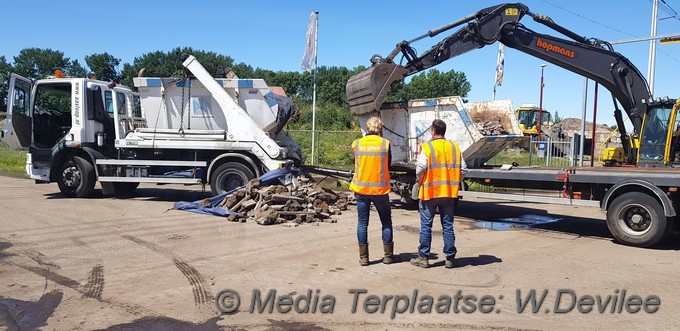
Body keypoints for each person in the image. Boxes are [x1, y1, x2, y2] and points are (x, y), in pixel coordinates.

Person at [410, 119, 468, 269]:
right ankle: (450, 258)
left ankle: (423, 257)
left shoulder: (428, 147)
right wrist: (455, 181)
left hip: (430, 192)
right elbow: (464, 169)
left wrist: (420, 180)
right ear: (444, 131)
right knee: (448, 225)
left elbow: (421, 167)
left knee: (426, 226)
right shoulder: (454, 147)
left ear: (433, 131)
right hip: (448, 193)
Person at [350, 116, 398, 266]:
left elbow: (355, 163)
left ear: (367, 127)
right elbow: (388, 164)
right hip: (380, 190)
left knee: (362, 223)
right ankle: (388, 256)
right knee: (386, 222)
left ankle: (364, 258)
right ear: (380, 129)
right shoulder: (385, 144)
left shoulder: (356, 144)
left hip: (361, 189)